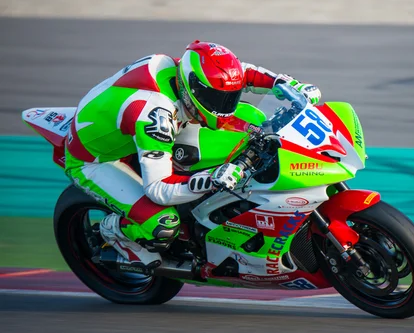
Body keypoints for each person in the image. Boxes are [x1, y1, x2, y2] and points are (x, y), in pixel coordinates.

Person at [64, 40, 321, 269]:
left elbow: (241, 72)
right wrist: (212, 178)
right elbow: (159, 189)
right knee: (164, 225)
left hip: (131, 124)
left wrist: (288, 86)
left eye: (229, 99)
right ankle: (114, 232)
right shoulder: (157, 117)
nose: (226, 109)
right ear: (192, 89)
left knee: (253, 122)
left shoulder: (193, 73)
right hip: (99, 158)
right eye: (218, 101)